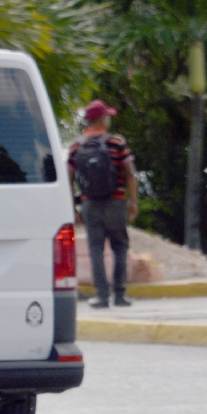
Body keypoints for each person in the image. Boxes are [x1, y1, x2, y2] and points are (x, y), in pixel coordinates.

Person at [66, 99, 138, 308]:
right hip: (115, 203)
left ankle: (102, 296)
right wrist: (133, 201)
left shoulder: (75, 147)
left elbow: (69, 178)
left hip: (90, 205)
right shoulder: (116, 142)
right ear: (102, 119)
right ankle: (120, 295)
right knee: (120, 247)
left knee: (95, 249)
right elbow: (130, 174)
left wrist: (73, 207)